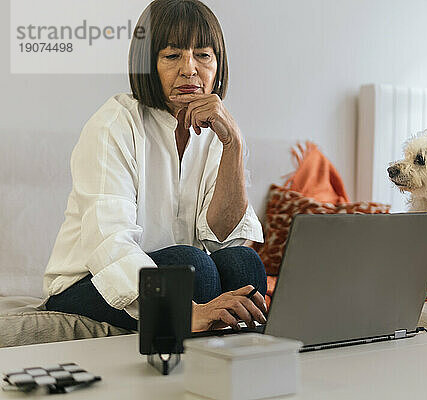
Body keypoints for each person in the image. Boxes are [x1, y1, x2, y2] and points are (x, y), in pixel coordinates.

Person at [42, 0, 267, 332]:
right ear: (148, 64)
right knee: (191, 266)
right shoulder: (113, 125)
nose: (190, 69)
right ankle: (187, 379)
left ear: (218, 65)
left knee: (243, 262)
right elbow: (110, 243)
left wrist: (233, 143)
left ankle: (247, 377)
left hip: (179, 269)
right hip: (90, 282)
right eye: (172, 56)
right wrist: (183, 310)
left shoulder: (219, 131)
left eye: (203, 56)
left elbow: (225, 240)